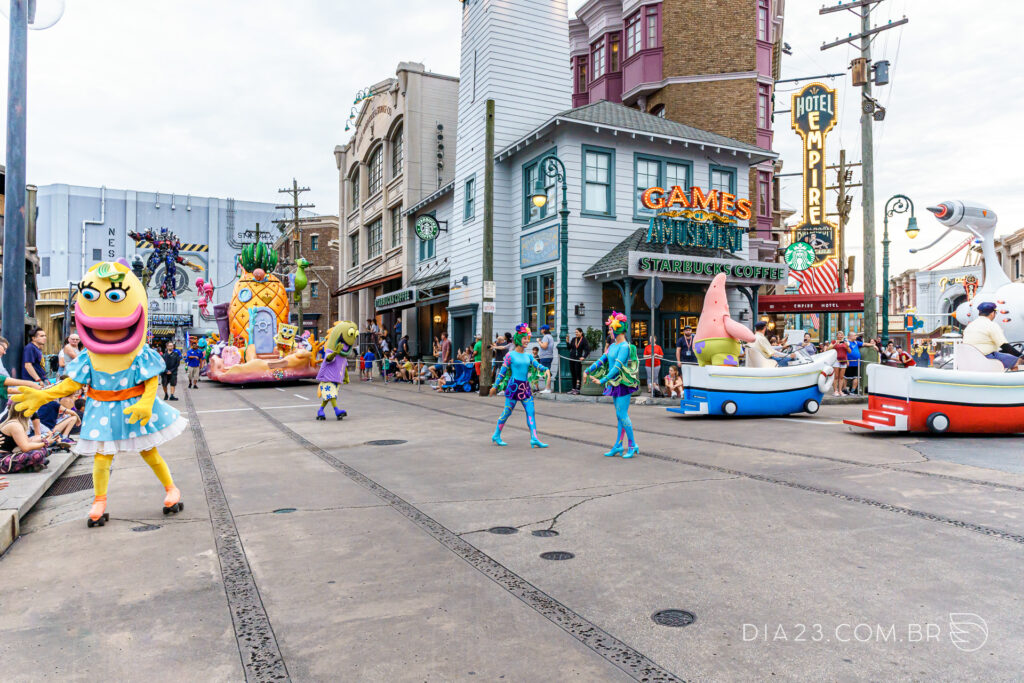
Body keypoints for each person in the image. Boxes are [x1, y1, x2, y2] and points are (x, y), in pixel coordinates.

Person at [14, 260, 187, 527]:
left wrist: (146, 402)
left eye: (116, 296)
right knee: (102, 458)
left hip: (133, 408)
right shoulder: (88, 356)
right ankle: (99, 501)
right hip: (101, 409)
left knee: (149, 452)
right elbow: (72, 384)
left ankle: (171, 490)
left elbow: (151, 380)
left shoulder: (139, 353)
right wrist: (45, 394)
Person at [585, 311, 641, 458]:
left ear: (617, 329)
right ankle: (618, 445)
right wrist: (588, 370)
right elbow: (602, 360)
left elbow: (617, 367)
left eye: (610, 329)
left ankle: (632, 445)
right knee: (619, 415)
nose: (609, 331)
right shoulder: (613, 346)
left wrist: (602, 380)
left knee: (622, 414)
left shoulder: (625, 347)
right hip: (614, 383)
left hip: (622, 383)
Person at [489, 323, 549, 448]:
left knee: (531, 412)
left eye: (528, 338)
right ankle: (496, 434)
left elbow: (537, 365)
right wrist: (494, 386)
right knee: (507, 412)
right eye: (524, 338)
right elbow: (502, 373)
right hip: (513, 387)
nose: (527, 340)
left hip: (525, 388)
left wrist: (546, 369)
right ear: (518, 339)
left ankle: (534, 438)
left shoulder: (528, 356)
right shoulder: (509, 355)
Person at [316, 321, 357, 420]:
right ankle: (337, 411)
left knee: (328, 396)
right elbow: (329, 359)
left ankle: (320, 410)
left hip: (336, 379)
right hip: (327, 379)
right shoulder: (330, 351)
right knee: (332, 395)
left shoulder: (343, 357)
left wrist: (346, 377)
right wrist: (335, 352)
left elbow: (344, 367)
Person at [963, 301, 1023, 370]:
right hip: (986, 357)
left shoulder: (970, 325)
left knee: (1007, 357)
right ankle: (1014, 380)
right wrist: (1021, 355)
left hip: (970, 357)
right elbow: (1004, 345)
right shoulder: (991, 325)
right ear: (992, 313)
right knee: (1018, 360)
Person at [0, 401, 52, 474]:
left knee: (42, 450)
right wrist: (45, 443)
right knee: (37, 454)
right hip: (3, 459)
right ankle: (31, 465)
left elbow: (27, 441)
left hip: (10, 454)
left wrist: (43, 440)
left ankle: (31, 466)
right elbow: (25, 447)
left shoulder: (17, 423)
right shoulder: (15, 425)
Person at [826, 331, 850, 396]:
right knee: (836, 376)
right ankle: (835, 391)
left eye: (841, 335)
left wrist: (847, 346)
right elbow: (828, 349)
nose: (840, 336)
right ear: (837, 336)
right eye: (839, 335)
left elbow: (849, 351)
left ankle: (840, 391)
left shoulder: (845, 342)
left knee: (841, 377)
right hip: (836, 360)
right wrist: (835, 344)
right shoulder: (834, 341)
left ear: (843, 336)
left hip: (844, 360)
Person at [567, 328, 590, 395]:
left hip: (578, 359)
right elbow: (569, 348)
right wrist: (567, 342)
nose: (576, 333)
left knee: (578, 374)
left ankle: (578, 389)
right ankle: (573, 388)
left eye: (577, 332)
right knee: (573, 373)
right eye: (575, 332)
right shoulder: (574, 339)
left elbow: (587, 350)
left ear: (581, 332)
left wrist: (584, 357)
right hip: (572, 358)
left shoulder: (584, 340)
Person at [536, 325, 555, 393]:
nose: (540, 330)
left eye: (541, 329)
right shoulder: (550, 336)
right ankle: (547, 388)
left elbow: (544, 346)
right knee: (546, 372)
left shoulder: (546, 336)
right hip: (548, 356)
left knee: (546, 373)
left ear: (544, 330)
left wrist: (539, 341)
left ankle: (547, 388)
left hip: (545, 357)